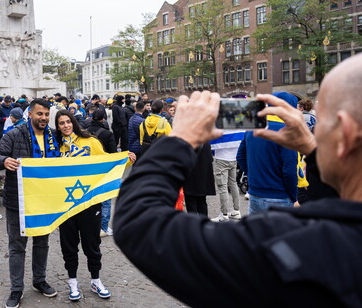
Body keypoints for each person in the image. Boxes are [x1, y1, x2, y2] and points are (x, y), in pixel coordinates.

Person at [114, 53, 362, 307]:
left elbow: (139, 223)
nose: (313, 128)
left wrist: (181, 138)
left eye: (322, 120)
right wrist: (312, 150)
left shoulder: (296, 243)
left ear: (346, 133)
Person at [0, 99, 60, 308]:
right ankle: (16, 289)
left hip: (44, 201)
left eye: (47, 114)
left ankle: (39, 281)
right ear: (30, 114)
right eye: (40, 114)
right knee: (17, 247)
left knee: (41, 243)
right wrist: (4, 161)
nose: (44, 118)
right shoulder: (15, 134)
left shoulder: (54, 136)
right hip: (17, 201)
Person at [54, 109, 114, 301]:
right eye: (61, 123)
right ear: (57, 127)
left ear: (74, 122)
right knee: (69, 246)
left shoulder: (91, 141)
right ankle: (72, 282)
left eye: (68, 122)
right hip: (66, 205)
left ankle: (95, 280)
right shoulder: (54, 146)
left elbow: (107, 163)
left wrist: (125, 162)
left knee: (92, 245)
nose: (65, 126)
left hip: (89, 203)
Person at [237, 92, 298, 214]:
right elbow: (289, 169)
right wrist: (293, 196)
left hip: (255, 194)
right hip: (280, 197)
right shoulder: (287, 131)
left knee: (257, 232)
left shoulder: (252, 128)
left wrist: (254, 176)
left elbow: (240, 156)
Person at [86, 109, 117, 237]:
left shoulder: (85, 132)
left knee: (90, 198)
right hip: (104, 170)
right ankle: (103, 227)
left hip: (89, 170)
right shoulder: (107, 134)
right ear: (103, 119)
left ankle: (90, 224)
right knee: (105, 199)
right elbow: (113, 154)